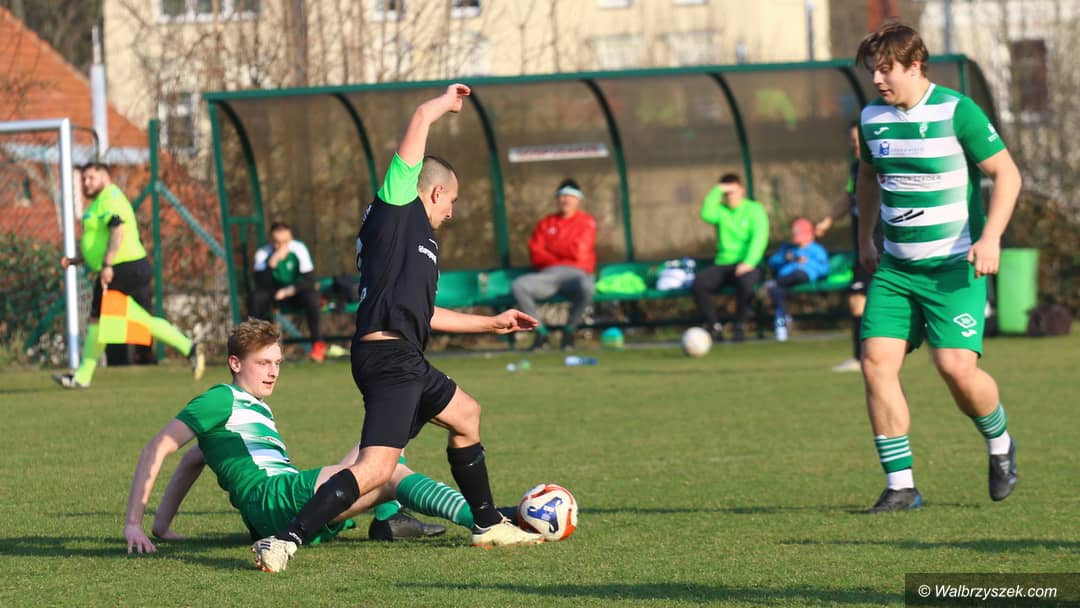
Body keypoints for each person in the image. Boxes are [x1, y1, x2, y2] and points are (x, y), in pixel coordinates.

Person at [251, 84, 544, 573]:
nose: (452, 210)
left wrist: (491, 323)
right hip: (389, 359)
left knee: (466, 414)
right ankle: (284, 539)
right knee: (376, 469)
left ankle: (488, 524)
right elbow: (418, 125)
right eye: (452, 200)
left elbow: (424, 314)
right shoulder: (397, 210)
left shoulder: (417, 241)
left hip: (404, 356)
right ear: (435, 191)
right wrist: (442, 106)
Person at [124, 319, 488, 556]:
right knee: (389, 471)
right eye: (263, 363)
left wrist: (162, 525)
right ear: (235, 363)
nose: (273, 372)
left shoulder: (252, 407)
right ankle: (485, 519)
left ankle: (388, 519)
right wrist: (133, 524)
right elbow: (157, 447)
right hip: (273, 497)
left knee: (384, 447)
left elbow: (193, 459)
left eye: (277, 363)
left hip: (284, 503)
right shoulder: (221, 398)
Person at [853, 23, 1021, 513]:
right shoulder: (871, 117)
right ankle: (901, 486)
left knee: (955, 369)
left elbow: (1007, 174)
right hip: (897, 271)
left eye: (886, 69)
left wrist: (991, 237)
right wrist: (865, 235)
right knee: (875, 363)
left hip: (954, 268)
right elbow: (867, 175)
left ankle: (1000, 442)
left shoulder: (956, 110)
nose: (878, 79)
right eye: (873, 71)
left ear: (915, 65)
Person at [54, 162, 204, 389]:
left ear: (105, 176)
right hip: (122, 267)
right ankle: (189, 347)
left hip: (123, 267)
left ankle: (82, 377)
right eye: (83, 179)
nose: (86, 183)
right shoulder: (100, 202)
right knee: (117, 320)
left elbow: (117, 230)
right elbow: (100, 240)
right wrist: (78, 260)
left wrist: (107, 265)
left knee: (101, 319)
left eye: (91, 177)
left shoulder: (111, 197)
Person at [816, 122, 881, 371]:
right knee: (858, 300)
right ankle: (861, 356)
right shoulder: (857, 168)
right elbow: (848, 198)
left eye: (858, 141)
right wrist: (828, 220)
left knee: (863, 300)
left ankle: (864, 357)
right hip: (864, 248)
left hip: (882, 245)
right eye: (852, 141)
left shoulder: (883, 165)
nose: (855, 145)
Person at [511, 179, 598, 351]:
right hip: (548, 274)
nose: (565, 200)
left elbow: (579, 251)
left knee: (587, 287)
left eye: (570, 196)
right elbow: (536, 253)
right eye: (562, 196)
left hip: (576, 275)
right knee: (519, 286)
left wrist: (552, 248)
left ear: (578, 199)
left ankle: (569, 331)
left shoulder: (587, 222)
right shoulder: (545, 223)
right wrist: (563, 251)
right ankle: (540, 333)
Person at [692, 173, 769, 342]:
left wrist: (749, 262)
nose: (730, 197)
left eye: (732, 192)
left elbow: (760, 237)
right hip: (723, 264)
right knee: (700, 283)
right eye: (726, 194)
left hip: (748, 263)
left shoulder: (754, 209)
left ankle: (740, 326)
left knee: (746, 284)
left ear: (742, 190)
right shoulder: (720, 211)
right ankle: (715, 327)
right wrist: (717, 190)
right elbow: (706, 214)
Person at [251, 222, 328, 362]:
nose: (281, 246)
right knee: (257, 299)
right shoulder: (263, 254)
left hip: (294, 293)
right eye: (277, 242)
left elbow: (309, 279)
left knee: (312, 298)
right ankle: (259, 346)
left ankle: (318, 344)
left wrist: (290, 290)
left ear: (290, 238)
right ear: (270, 240)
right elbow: (260, 284)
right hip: (273, 293)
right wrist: (272, 263)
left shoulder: (299, 249)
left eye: (285, 242)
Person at [765, 218, 829, 342]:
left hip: (804, 275)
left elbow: (824, 268)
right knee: (776, 291)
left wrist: (807, 263)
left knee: (788, 279)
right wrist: (785, 258)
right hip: (785, 278)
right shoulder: (787, 249)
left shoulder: (816, 249)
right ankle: (783, 322)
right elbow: (773, 262)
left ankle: (773, 284)